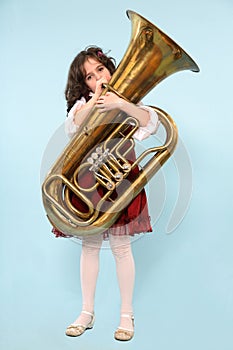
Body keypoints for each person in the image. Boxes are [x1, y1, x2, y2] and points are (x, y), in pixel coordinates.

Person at [53, 46, 159, 341]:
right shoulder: (84, 104)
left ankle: (127, 315)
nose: (98, 76)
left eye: (101, 69)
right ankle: (86, 312)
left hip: (120, 180)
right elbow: (72, 127)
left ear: (110, 69)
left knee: (122, 248)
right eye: (89, 76)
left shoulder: (127, 99)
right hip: (89, 180)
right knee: (90, 246)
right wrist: (98, 98)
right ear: (83, 84)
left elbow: (151, 123)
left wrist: (122, 104)